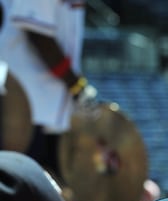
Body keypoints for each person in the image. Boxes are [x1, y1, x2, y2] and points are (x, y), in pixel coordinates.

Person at [0, 0, 96, 182]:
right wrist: (76, 86)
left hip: (46, 109)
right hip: (22, 106)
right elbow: (38, 34)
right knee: (22, 191)